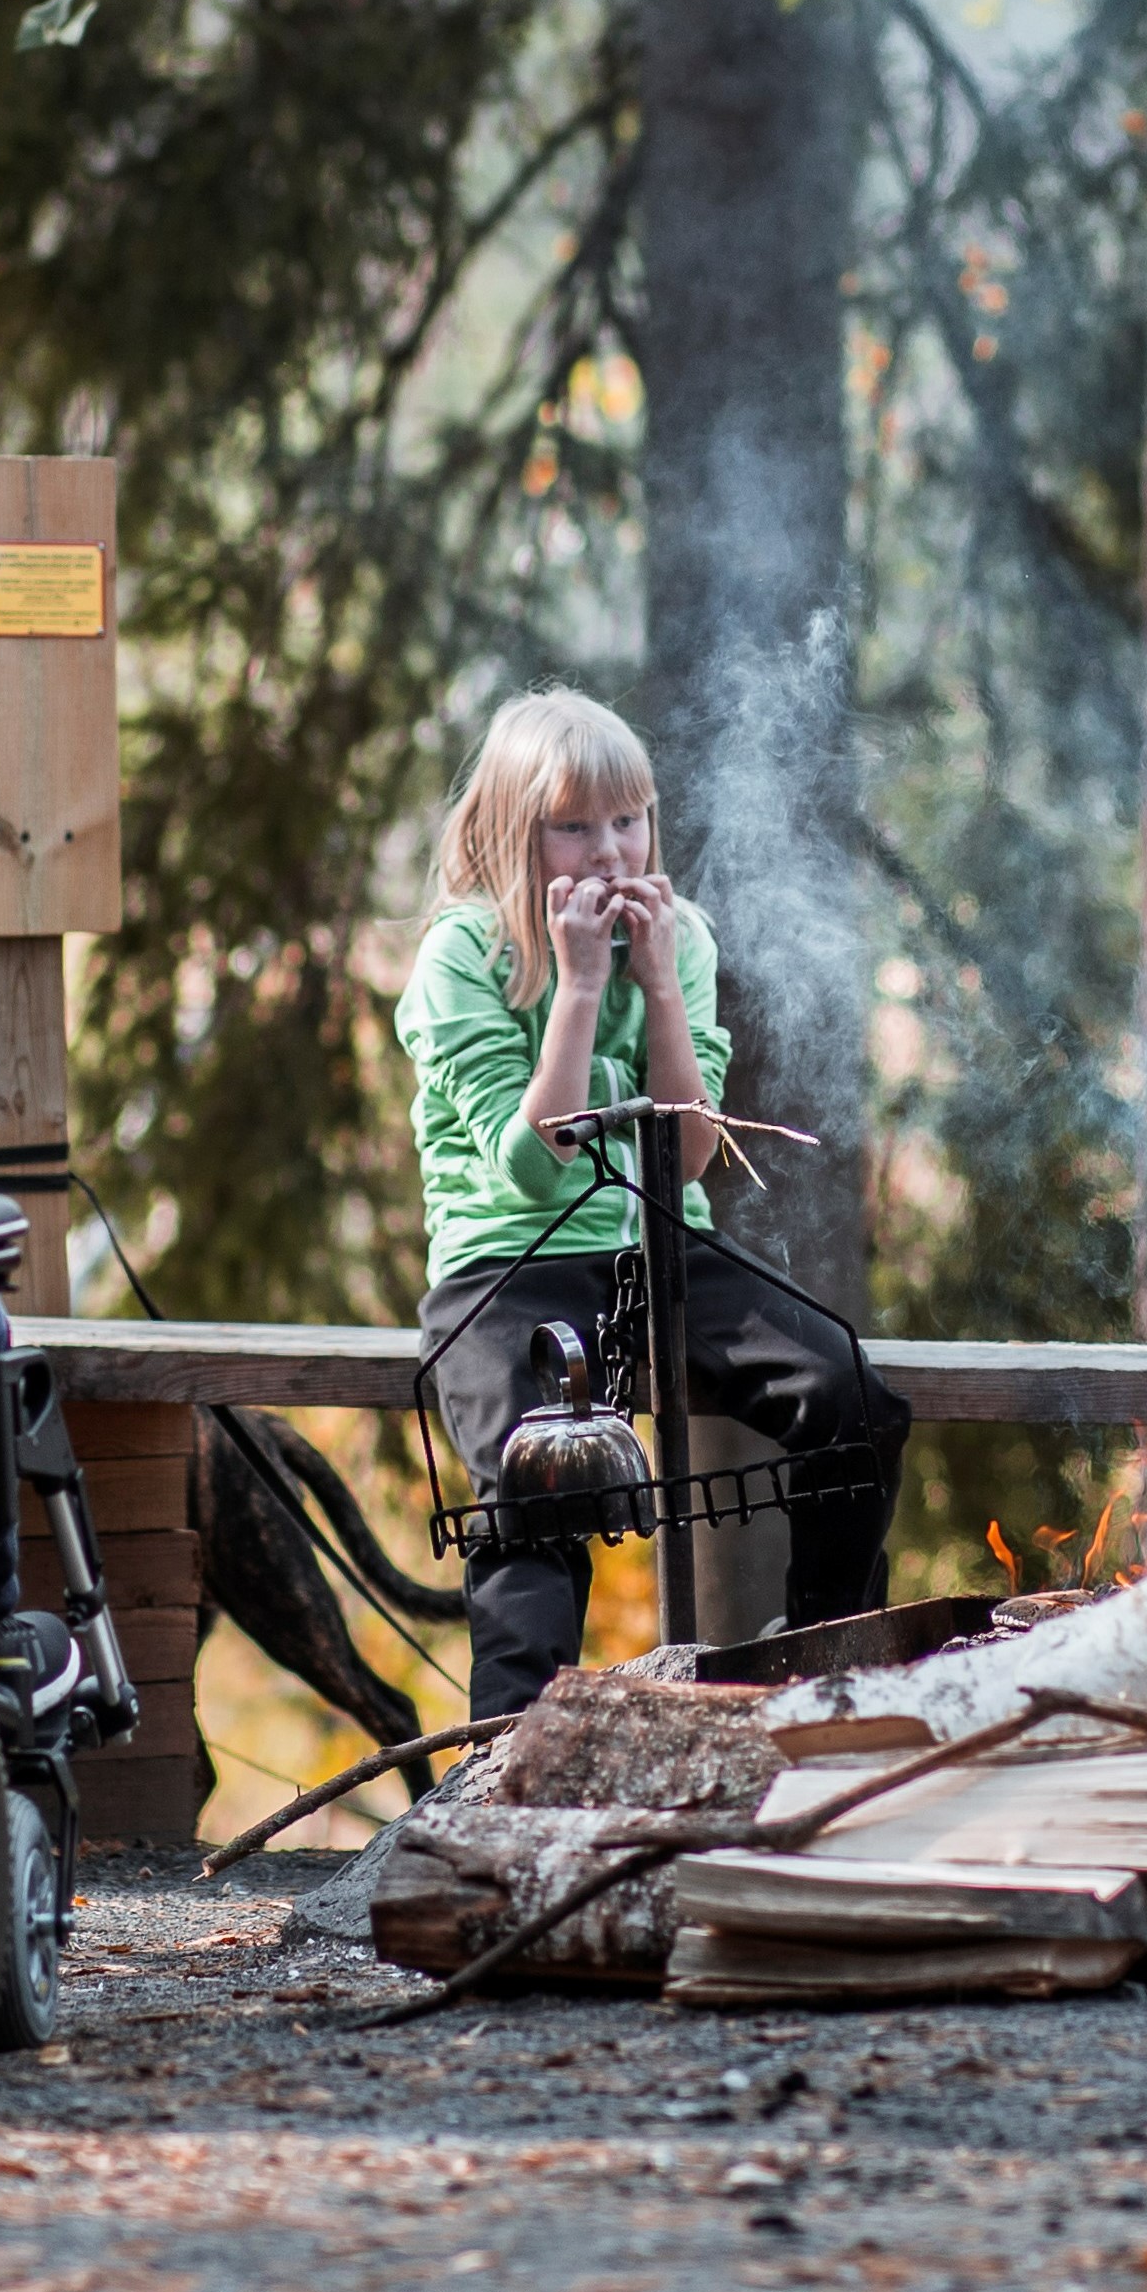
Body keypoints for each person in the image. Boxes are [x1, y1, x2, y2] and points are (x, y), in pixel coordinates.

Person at [401, 688, 909, 1719]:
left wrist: (659, 985)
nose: (609, 852)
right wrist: (580, 989)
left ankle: (821, 1674)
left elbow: (680, 1156)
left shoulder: (681, 938)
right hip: (505, 1267)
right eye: (574, 827)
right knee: (535, 1479)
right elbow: (533, 1172)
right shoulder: (463, 956)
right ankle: (505, 1755)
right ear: (511, 832)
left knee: (852, 1400)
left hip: (657, 1244)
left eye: (628, 820)